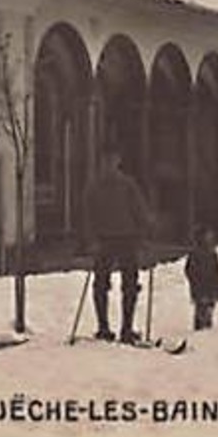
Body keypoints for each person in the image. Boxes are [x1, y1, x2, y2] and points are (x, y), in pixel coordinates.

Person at [81, 146, 155, 344]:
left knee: (129, 285)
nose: (109, 165)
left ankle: (126, 328)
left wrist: (146, 228)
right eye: (105, 160)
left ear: (118, 161)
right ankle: (104, 327)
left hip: (127, 238)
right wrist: (91, 240)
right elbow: (88, 215)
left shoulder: (127, 185)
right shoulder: (94, 187)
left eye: (112, 160)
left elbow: (139, 209)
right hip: (105, 240)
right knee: (100, 285)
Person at [185, 226, 218, 331]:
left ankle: (208, 323)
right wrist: (195, 280)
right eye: (208, 236)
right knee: (202, 304)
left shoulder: (212, 253)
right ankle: (200, 325)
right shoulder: (196, 253)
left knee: (210, 304)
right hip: (200, 283)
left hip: (211, 283)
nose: (210, 238)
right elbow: (189, 269)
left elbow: (216, 269)